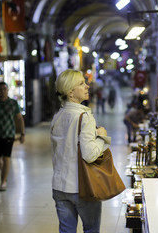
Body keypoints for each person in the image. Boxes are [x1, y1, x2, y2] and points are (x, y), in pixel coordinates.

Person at [50, 69, 110, 233]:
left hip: (60, 186)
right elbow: (90, 154)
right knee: (91, 229)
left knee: (66, 230)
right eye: (82, 83)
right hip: (82, 187)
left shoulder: (57, 116)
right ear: (70, 92)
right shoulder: (84, 117)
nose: (87, 86)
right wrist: (102, 137)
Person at [0, 82, 25, 191]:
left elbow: (19, 118)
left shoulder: (13, 103)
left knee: (6, 158)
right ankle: (5, 172)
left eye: (4, 89)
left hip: (8, 135)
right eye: (0, 89)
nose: (2, 91)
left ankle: (3, 182)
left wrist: (22, 133)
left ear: (7, 90)